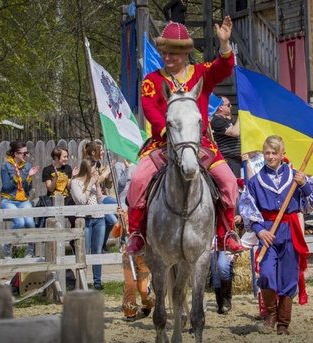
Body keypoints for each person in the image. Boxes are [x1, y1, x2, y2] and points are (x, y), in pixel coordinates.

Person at [127, 18, 243, 255]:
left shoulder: (200, 73)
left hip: (200, 143)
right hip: (162, 143)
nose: (168, 58)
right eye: (165, 53)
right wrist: (166, 132)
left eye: (174, 54)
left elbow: (223, 68)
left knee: (230, 183)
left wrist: (224, 43)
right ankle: (136, 232)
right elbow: (150, 109)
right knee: (138, 180)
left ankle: (225, 234)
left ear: (185, 53)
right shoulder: (152, 80)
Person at [245, 135, 313, 335]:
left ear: (282, 154)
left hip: (289, 230)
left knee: (288, 277)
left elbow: (311, 204)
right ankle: (271, 314)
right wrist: (260, 230)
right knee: (265, 273)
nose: (270, 156)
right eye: (267, 153)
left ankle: (283, 323)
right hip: (268, 232)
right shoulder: (256, 181)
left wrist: (304, 185)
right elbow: (248, 210)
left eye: (274, 153)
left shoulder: (294, 177)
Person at [70, 158, 106, 290]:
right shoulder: (75, 182)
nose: (96, 170)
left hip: (98, 218)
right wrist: (90, 183)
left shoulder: (94, 182)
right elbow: (81, 200)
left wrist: (97, 186)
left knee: (98, 250)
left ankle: (97, 281)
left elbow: (100, 200)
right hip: (84, 219)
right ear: (87, 168)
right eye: (94, 168)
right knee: (83, 251)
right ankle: (82, 281)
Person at [0, 141, 39, 258]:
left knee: (30, 222)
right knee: (20, 222)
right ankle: (6, 245)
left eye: (26, 153)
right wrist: (16, 178)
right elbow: (6, 187)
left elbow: (27, 188)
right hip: (9, 200)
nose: (25, 156)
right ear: (15, 154)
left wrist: (29, 176)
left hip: (23, 200)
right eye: (23, 153)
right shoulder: (6, 166)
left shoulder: (26, 166)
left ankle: (30, 250)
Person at [115, 209, 154, 321]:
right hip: (128, 255)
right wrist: (119, 220)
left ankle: (148, 304)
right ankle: (130, 311)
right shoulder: (125, 214)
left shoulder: (147, 214)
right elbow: (115, 233)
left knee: (143, 288)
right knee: (130, 284)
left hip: (143, 254)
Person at [83, 141, 118, 252]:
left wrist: (110, 174)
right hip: (94, 198)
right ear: (94, 152)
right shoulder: (88, 164)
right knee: (112, 219)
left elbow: (108, 185)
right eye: (101, 150)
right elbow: (94, 181)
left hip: (102, 196)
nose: (103, 152)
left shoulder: (100, 165)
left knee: (118, 206)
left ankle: (101, 244)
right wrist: (105, 173)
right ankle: (101, 244)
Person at [210, 96, 242, 177]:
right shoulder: (216, 120)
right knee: (236, 185)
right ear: (220, 107)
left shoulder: (228, 120)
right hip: (229, 160)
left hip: (238, 160)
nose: (231, 106)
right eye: (228, 105)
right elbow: (234, 132)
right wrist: (241, 115)